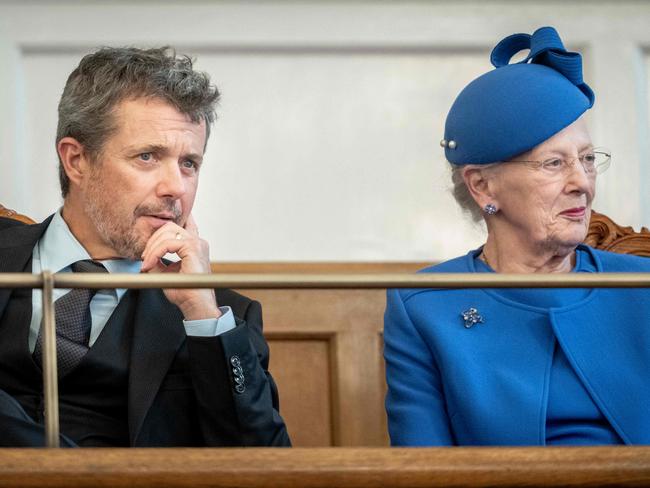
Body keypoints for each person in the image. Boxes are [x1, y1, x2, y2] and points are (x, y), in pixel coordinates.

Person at [0, 47, 290, 447]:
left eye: (189, 163)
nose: (176, 187)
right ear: (77, 160)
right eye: (148, 156)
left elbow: (266, 465)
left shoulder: (223, 315)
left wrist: (202, 315)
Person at [384, 27, 650, 446]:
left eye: (586, 159)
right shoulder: (424, 306)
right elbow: (422, 467)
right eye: (553, 164)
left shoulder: (643, 287)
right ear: (483, 187)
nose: (582, 182)